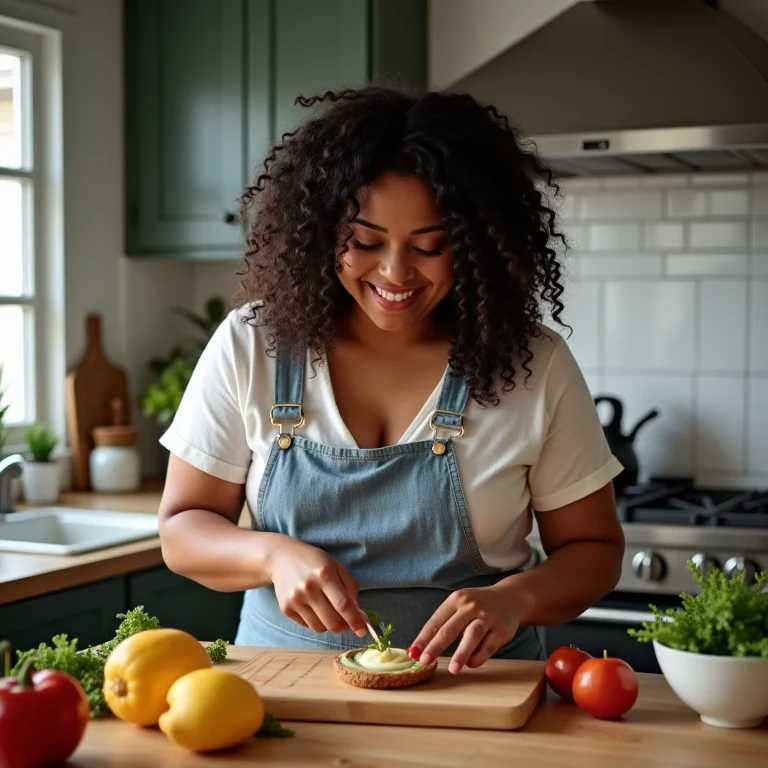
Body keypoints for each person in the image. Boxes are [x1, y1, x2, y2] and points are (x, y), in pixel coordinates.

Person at [157, 85, 625, 674]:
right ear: (324, 232)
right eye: (365, 242)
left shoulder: (533, 364)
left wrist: (516, 598)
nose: (395, 272)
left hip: (479, 694)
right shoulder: (253, 345)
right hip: (282, 689)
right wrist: (271, 555)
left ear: (477, 244)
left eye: (430, 246)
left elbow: (595, 550)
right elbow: (181, 530)